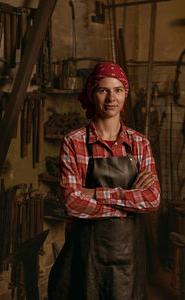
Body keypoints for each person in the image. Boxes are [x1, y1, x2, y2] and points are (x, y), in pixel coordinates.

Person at [48, 62, 160, 300]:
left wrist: (96, 194)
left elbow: (152, 199)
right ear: (92, 94)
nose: (111, 98)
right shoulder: (73, 142)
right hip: (85, 257)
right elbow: (71, 203)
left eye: (118, 90)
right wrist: (129, 204)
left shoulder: (140, 144)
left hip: (128, 262)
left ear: (125, 95)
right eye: (103, 90)